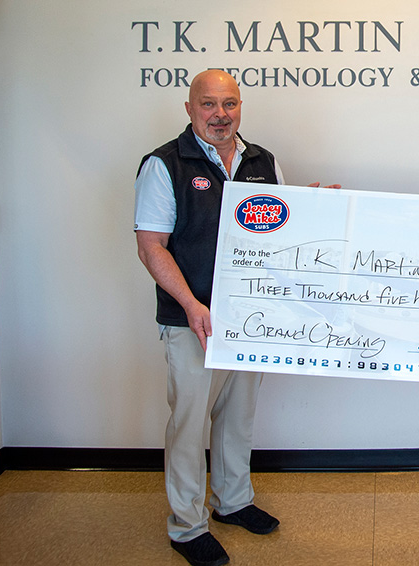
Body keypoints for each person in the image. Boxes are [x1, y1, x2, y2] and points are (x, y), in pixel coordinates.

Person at [134, 69, 335, 566]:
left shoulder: (262, 161)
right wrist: (191, 304)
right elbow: (151, 246)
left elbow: (280, 231)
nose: (220, 115)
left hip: (251, 317)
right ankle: (186, 526)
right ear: (189, 108)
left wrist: (314, 209)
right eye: (208, 105)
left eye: (229, 104)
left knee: (237, 416)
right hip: (193, 320)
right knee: (188, 421)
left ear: (240, 106)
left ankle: (232, 501)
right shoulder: (164, 165)